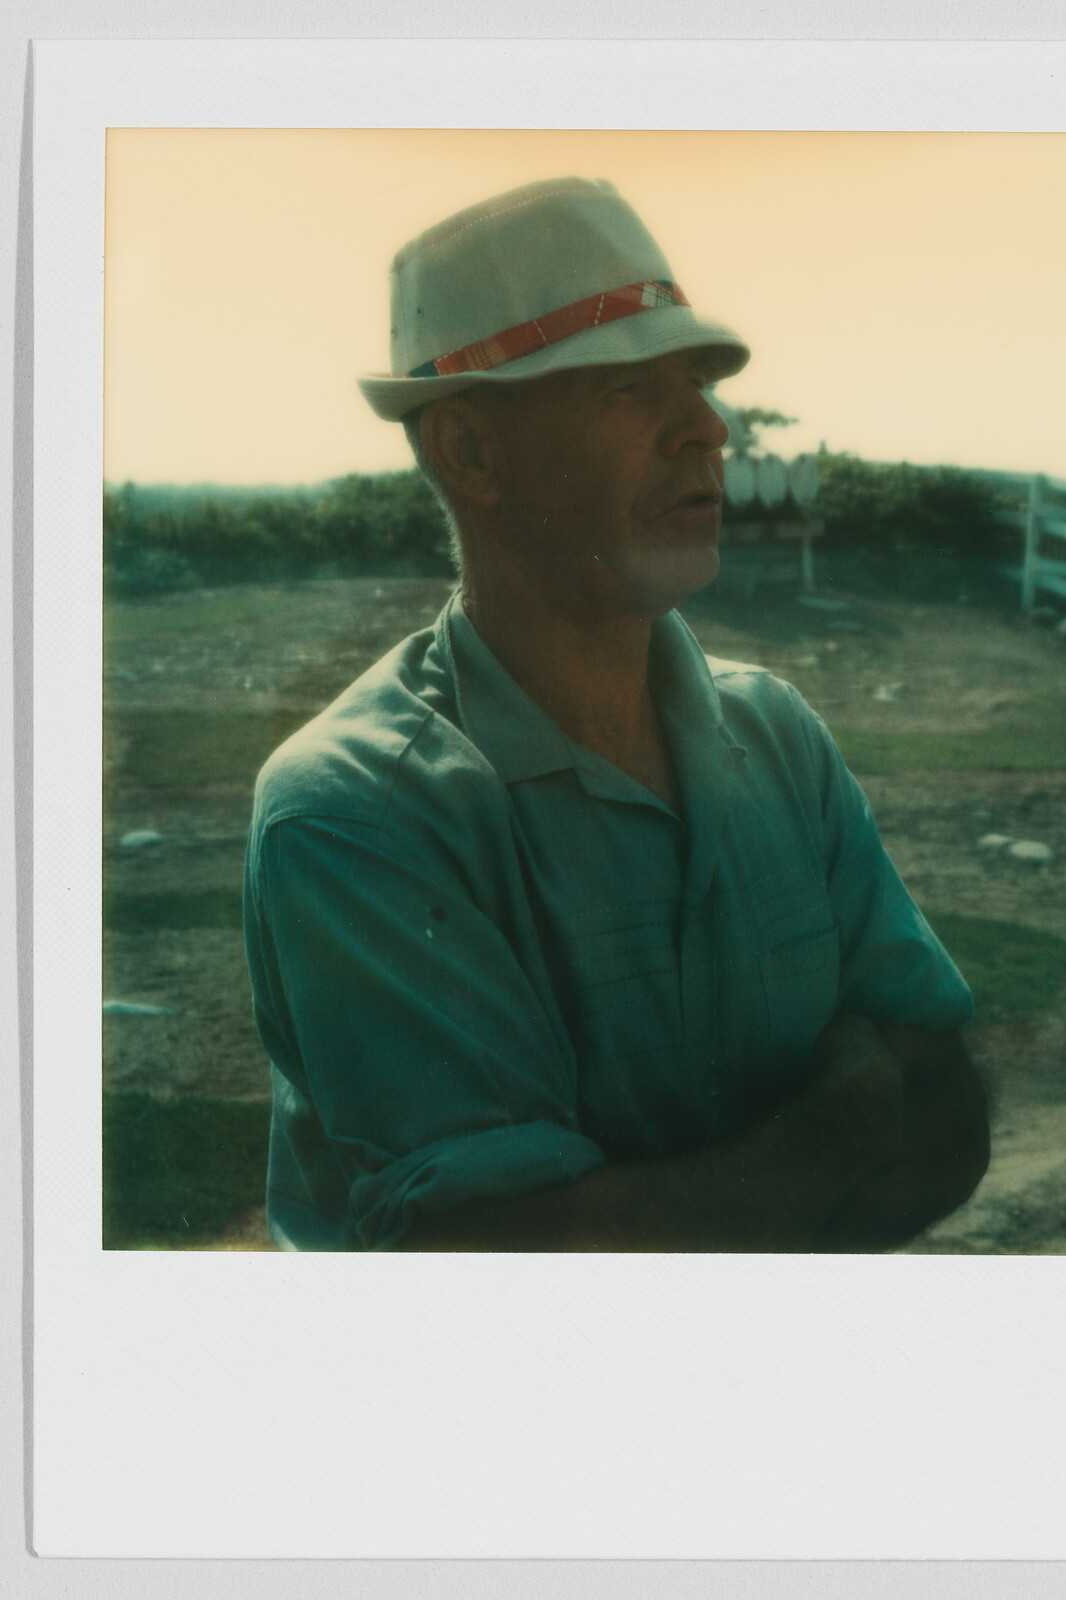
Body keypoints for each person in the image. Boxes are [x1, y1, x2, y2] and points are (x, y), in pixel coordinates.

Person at [243, 176, 989, 1252]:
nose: (709, 426)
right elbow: (497, 1274)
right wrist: (831, 1135)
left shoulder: (777, 735)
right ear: (471, 452)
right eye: (631, 391)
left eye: (694, 380)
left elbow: (948, 1105)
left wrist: (687, 1215)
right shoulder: (355, 812)